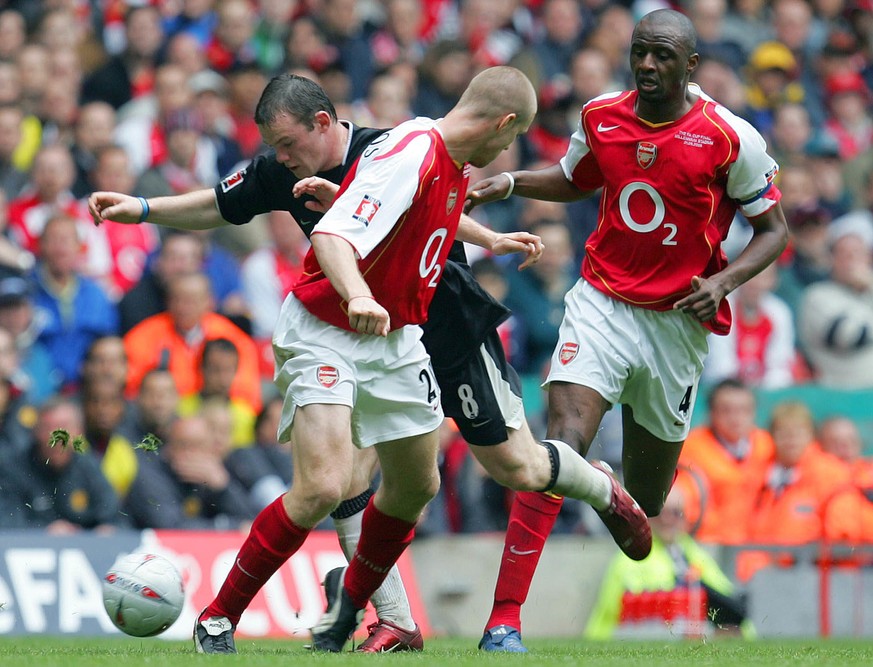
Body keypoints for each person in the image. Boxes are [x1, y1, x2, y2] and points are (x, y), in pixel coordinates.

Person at [89, 72, 644, 655]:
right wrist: (355, 292)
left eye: (287, 145)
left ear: (324, 124)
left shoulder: (426, 155)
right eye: (514, 137)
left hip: (414, 324)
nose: (279, 160)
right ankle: (222, 619)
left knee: (427, 484)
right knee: (329, 484)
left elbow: (422, 209)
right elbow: (327, 236)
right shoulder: (403, 152)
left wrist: (489, 239)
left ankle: (371, 609)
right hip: (334, 326)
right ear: (503, 126)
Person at [465, 9, 789, 652]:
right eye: (640, 52)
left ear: (689, 66)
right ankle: (503, 621)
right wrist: (507, 181)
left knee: (643, 506)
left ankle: (612, 490)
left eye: (662, 56)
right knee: (559, 443)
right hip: (602, 303)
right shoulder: (601, 117)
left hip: (677, 327)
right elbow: (574, 178)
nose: (646, 65)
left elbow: (775, 230)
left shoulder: (731, 138)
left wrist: (723, 283)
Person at [584, 482, 751, 640]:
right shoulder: (629, 559)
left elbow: (730, 606)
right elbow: (607, 616)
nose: (667, 520)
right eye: (660, 513)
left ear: (685, 517)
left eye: (675, 513)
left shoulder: (697, 556)